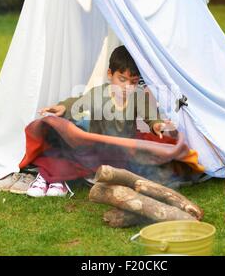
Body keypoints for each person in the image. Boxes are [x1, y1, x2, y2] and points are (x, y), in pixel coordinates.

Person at [22, 46, 201, 197]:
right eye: (121, 80)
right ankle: (51, 179)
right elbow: (79, 103)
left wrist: (157, 125)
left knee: (152, 163)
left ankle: (62, 178)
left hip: (123, 149)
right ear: (110, 74)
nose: (126, 87)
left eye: (133, 82)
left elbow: (151, 117)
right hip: (97, 146)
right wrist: (63, 107)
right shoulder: (100, 93)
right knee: (66, 149)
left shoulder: (138, 97)